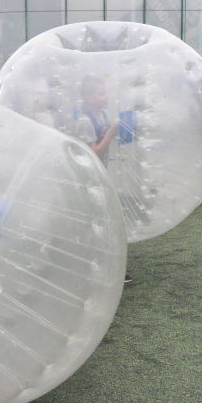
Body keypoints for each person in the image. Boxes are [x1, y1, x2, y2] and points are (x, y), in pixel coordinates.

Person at [73, 75, 133, 284]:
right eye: (101, 93)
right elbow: (94, 152)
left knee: (105, 222)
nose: (105, 97)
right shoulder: (84, 121)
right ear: (88, 97)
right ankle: (94, 267)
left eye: (105, 92)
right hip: (88, 180)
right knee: (96, 223)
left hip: (100, 177)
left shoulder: (103, 114)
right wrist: (113, 131)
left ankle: (108, 265)